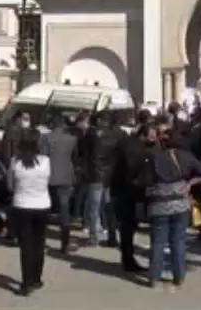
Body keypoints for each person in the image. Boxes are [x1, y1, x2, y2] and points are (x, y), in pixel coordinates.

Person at [142, 124, 201, 290]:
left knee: (158, 242)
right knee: (178, 241)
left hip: (158, 204)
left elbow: (144, 180)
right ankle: (179, 276)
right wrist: (190, 182)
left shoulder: (153, 157)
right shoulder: (186, 156)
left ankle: (154, 277)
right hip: (180, 203)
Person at [8, 129, 52, 295]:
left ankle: (26, 282)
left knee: (25, 245)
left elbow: (10, 185)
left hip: (21, 205)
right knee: (39, 243)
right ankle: (36, 278)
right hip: (42, 204)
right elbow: (47, 181)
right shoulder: (45, 161)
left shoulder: (15, 162)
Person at [112, 111, 150, 272]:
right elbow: (132, 171)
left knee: (127, 227)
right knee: (128, 227)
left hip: (122, 190)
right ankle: (128, 260)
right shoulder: (136, 149)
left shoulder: (127, 143)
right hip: (129, 192)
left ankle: (127, 258)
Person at [80, 111, 123, 248]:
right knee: (109, 207)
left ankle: (94, 238)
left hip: (95, 174)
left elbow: (83, 151)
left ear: (99, 120)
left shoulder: (91, 133)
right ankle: (112, 237)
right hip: (111, 175)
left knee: (94, 207)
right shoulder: (117, 134)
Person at [40, 115, 79, 254]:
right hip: (67, 176)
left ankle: (41, 240)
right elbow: (75, 158)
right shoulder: (72, 139)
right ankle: (65, 242)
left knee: (45, 209)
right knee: (64, 210)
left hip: (50, 176)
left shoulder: (46, 138)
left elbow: (43, 156)